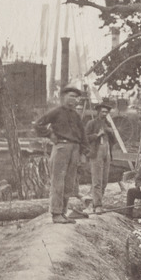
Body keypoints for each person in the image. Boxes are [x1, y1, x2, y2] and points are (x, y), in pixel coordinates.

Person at [34, 86, 88, 224]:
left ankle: (63, 212)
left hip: (75, 149)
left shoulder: (76, 115)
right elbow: (38, 124)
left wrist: (83, 153)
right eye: (71, 96)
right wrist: (50, 135)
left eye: (76, 97)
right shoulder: (56, 112)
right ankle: (56, 213)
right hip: (61, 148)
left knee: (69, 183)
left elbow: (83, 135)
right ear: (63, 97)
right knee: (58, 181)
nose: (74, 99)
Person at [84, 100, 119, 213]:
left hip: (107, 152)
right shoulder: (91, 123)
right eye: (102, 112)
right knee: (97, 180)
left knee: (104, 180)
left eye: (106, 112)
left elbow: (114, 141)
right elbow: (84, 138)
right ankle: (97, 205)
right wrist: (97, 135)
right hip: (96, 151)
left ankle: (98, 202)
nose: (104, 114)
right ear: (98, 112)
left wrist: (111, 132)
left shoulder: (108, 124)